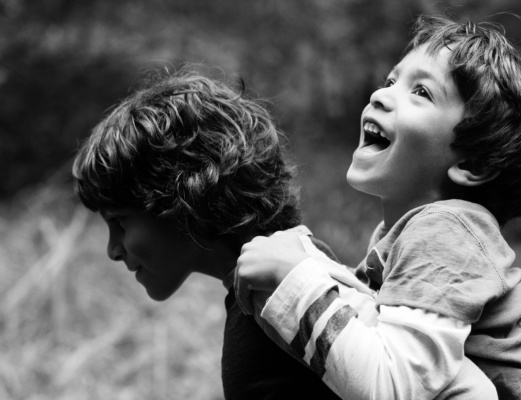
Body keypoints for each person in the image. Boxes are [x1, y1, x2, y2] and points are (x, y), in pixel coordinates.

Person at [234, 14, 521, 400]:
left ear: (472, 165)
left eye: (422, 93)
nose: (381, 94)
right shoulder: (410, 232)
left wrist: (294, 277)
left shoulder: (447, 232)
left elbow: (391, 387)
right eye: (392, 81)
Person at [71, 69, 348, 399]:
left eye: (120, 222)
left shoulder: (283, 296)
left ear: (184, 197)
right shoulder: (276, 284)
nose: (113, 250)